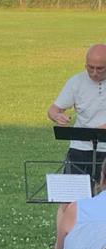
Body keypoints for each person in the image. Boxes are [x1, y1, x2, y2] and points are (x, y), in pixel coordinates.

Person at [47, 43, 106, 177]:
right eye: (90, 67)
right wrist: (57, 116)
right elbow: (53, 110)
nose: (94, 72)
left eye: (100, 68)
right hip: (80, 147)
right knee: (72, 189)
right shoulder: (76, 81)